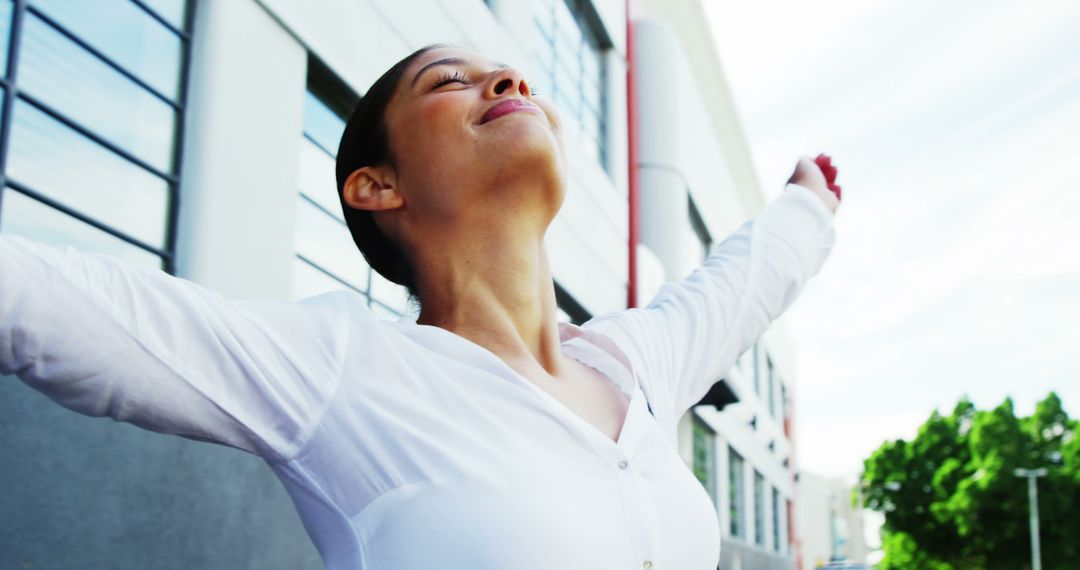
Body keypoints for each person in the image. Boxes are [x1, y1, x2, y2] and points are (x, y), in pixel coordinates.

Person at [0, 45, 839, 569]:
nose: (508, 79)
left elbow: (735, 289)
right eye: (450, 79)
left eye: (511, 76)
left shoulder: (631, 365)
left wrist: (806, 208)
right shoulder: (348, 369)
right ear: (378, 185)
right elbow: (56, 303)